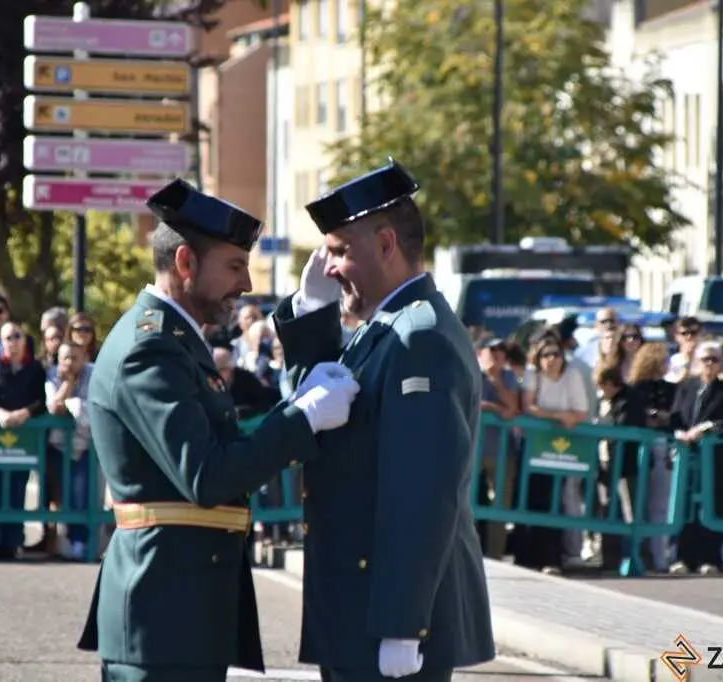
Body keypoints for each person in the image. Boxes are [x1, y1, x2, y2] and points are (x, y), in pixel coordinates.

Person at [76, 179, 361, 682]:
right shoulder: (152, 349)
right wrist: (305, 416)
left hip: (180, 605)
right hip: (163, 607)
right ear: (185, 263)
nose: (246, 283)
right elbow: (207, 474)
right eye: (234, 266)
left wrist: (298, 405)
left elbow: (223, 451)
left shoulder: (177, 341)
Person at [273, 159, 495, 682]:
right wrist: (309, 314)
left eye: (340, 252)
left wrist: (403, 625)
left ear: (387, 244)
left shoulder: (416, 337)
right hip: (359, 605)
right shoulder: (388, 329)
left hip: (385, 620)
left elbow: (421, 493)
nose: (329, 268)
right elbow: (324, 404)